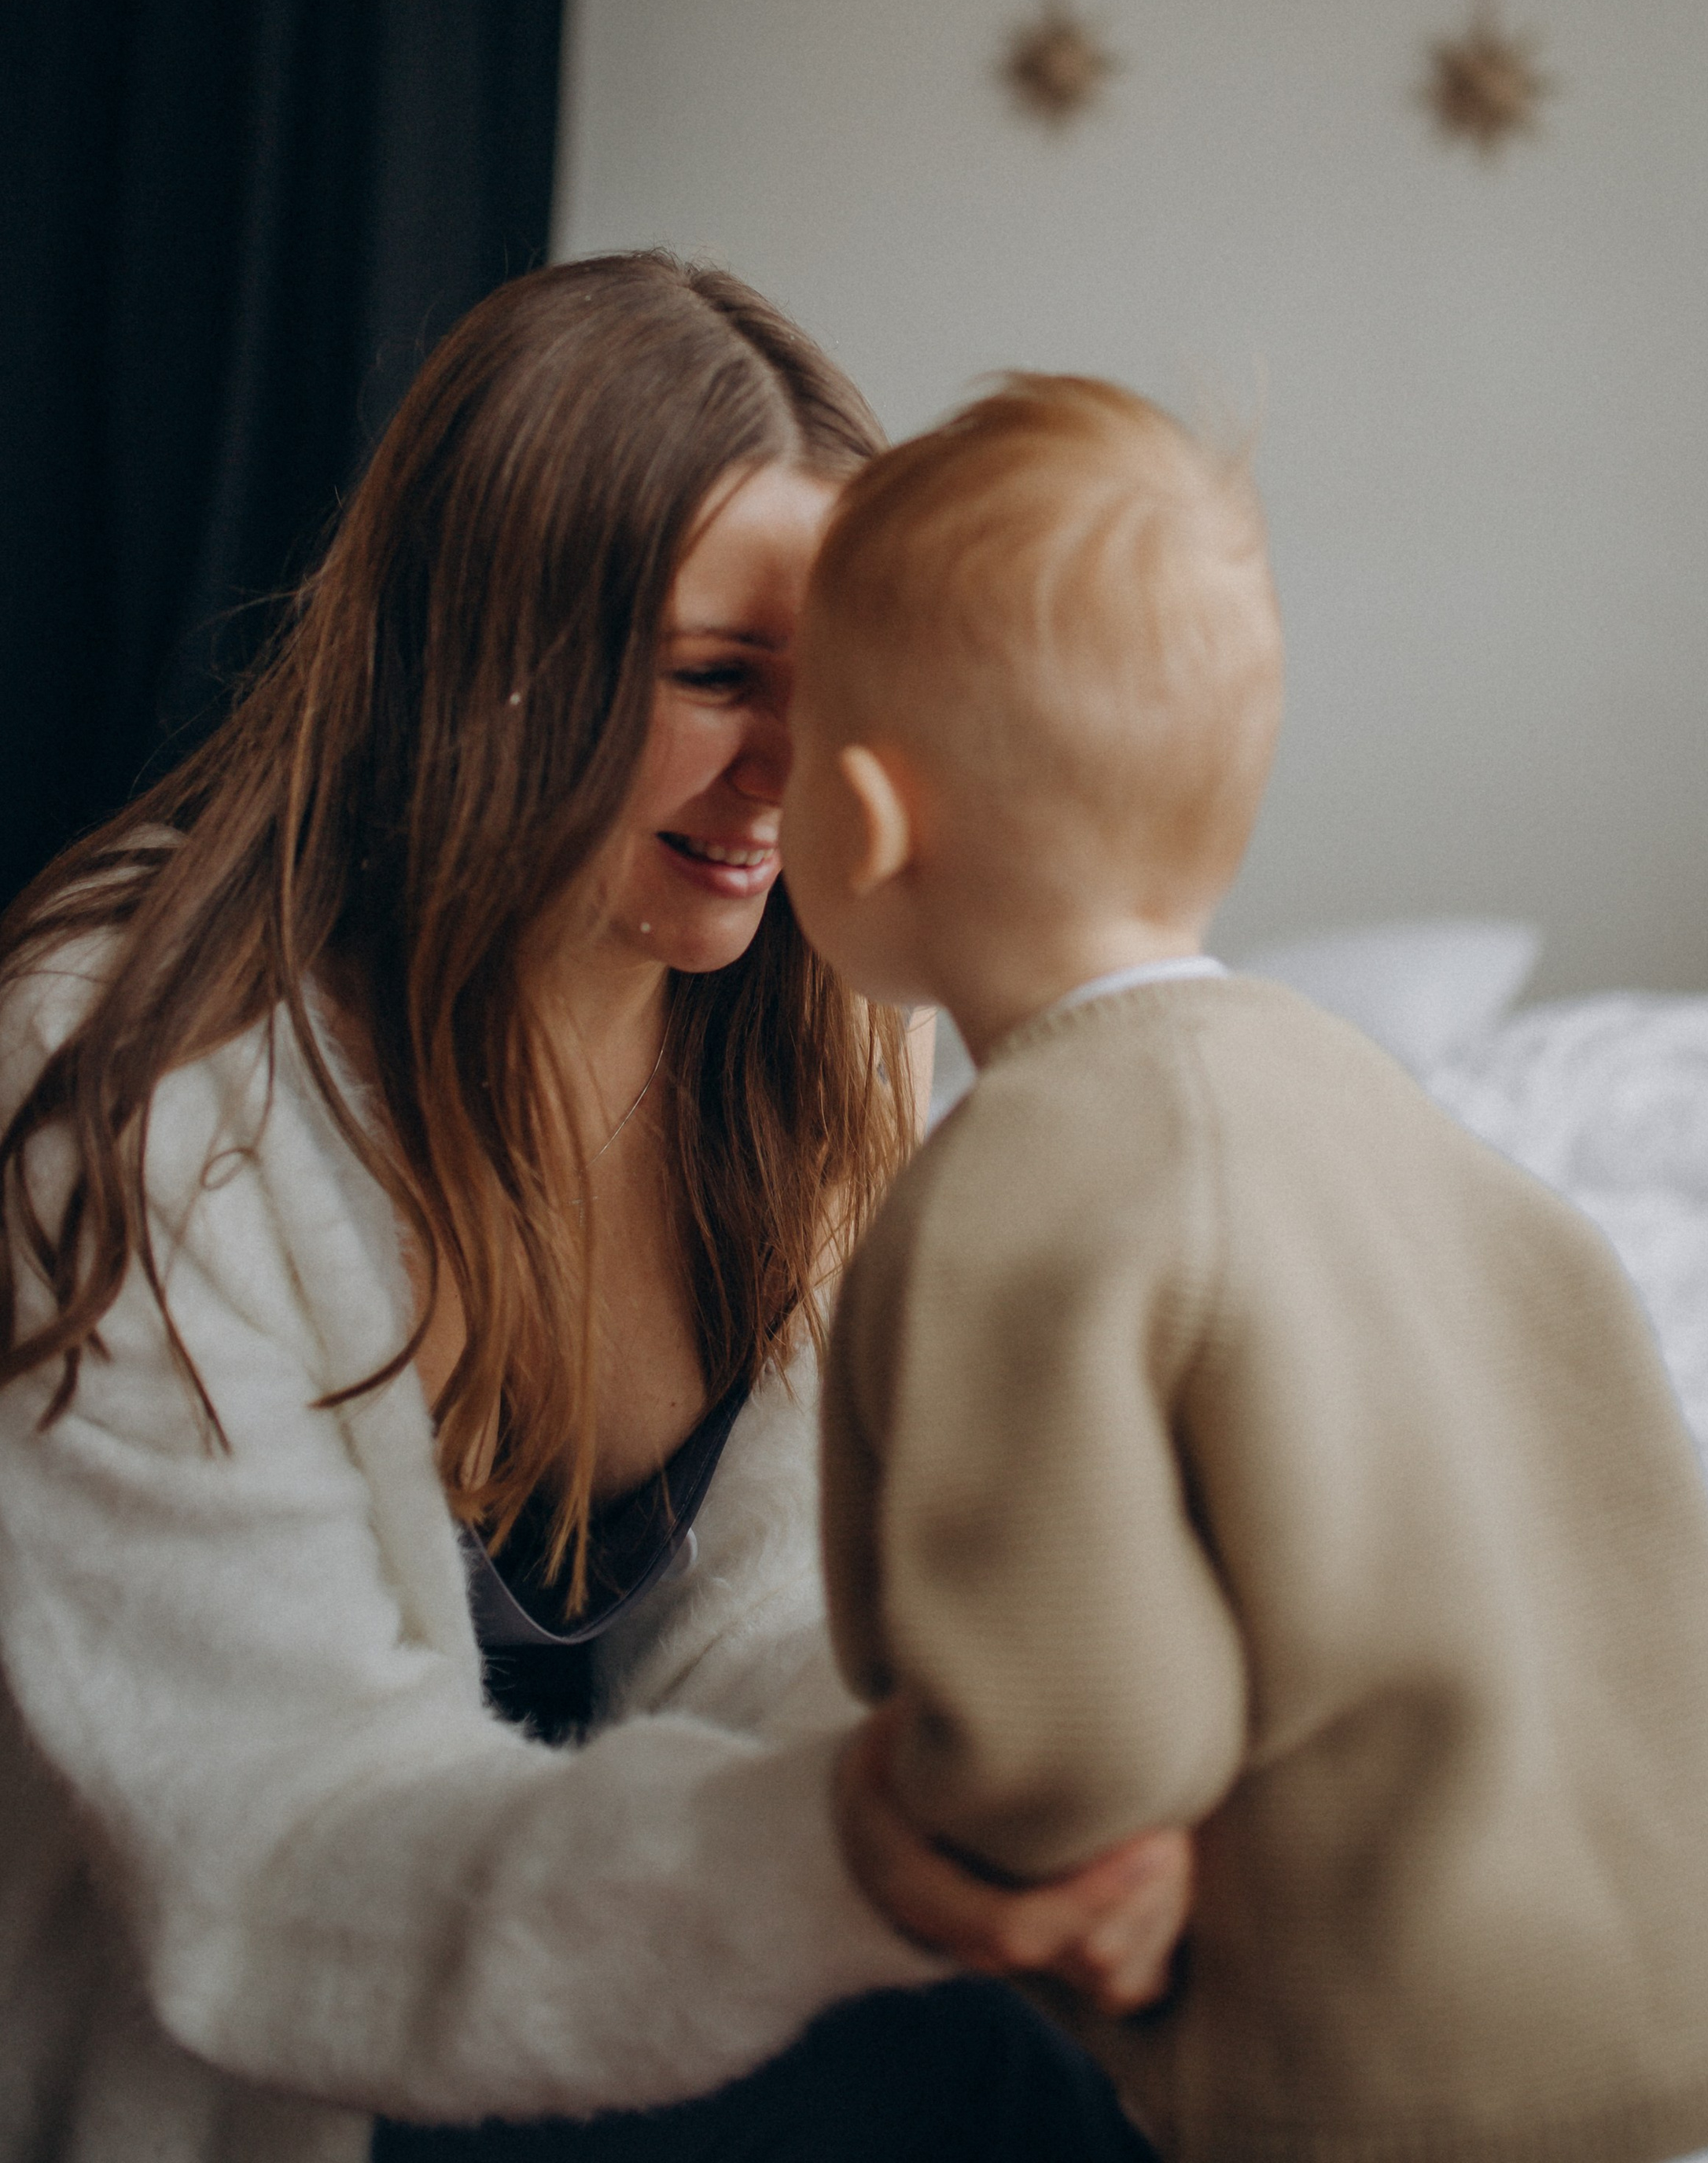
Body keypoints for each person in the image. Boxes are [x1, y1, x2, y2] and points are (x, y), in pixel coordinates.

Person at [0, 257, 1187, 2163]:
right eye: (718, 679)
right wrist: (836, 1857)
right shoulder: (135, 1090)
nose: (791, 783)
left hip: (610, 1954)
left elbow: (772, 1623)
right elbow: (277, 1856)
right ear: (492, 660)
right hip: (277, 2059)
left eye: (840, 694)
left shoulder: (820, 1021)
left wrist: (987, 1770)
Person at [781, 373, 1708, 2163]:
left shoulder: (1011, 1185)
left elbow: (1083, 1734)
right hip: (1690, 2064)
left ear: (862, 817)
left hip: (1394, 2093)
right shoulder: (1386, 1113)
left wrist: (891, 1799)